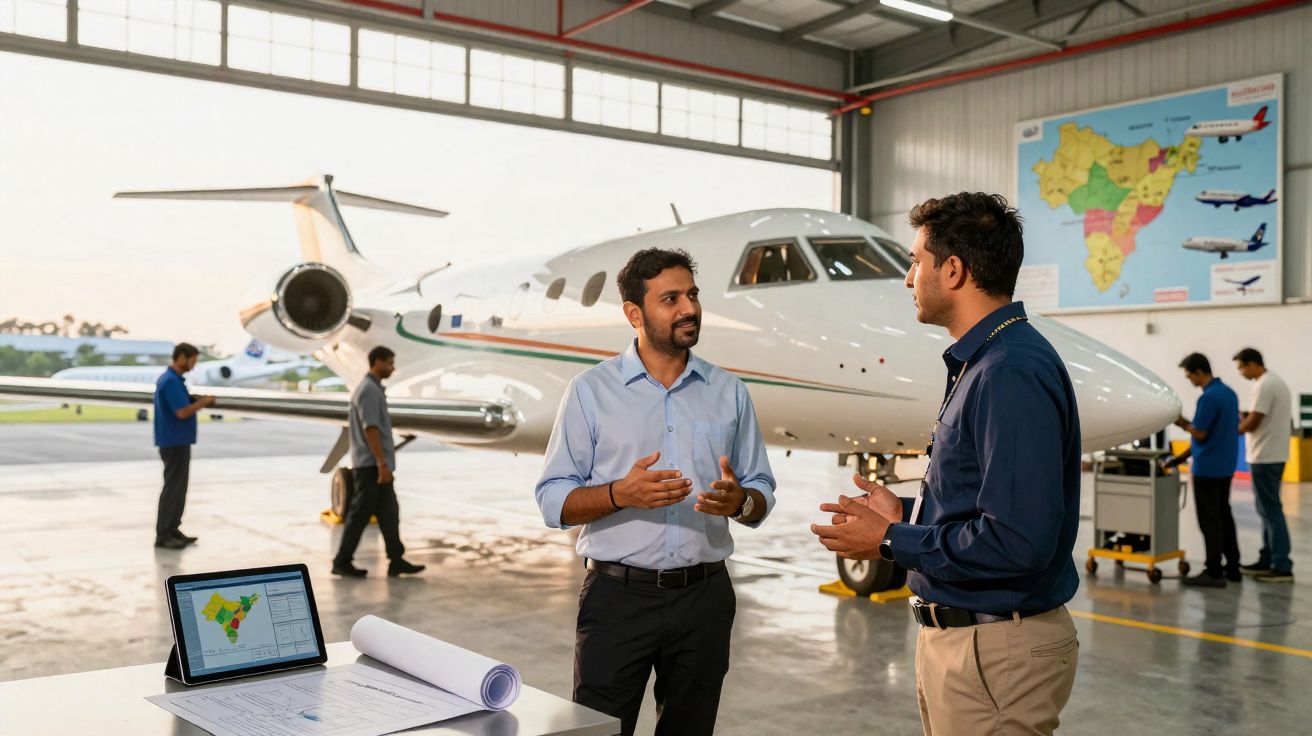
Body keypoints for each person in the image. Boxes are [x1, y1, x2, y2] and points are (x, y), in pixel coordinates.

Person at [810, 192, 1081, 735]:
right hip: (970, 646)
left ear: (953, 270)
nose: (908, 279)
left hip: (994, 651)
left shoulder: (1009, 372)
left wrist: (890, 540)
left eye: (915, 262)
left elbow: (1019, 541)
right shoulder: (984, 362)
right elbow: (984, 504)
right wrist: (908, 513)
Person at [534, 248, 776, 736]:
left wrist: (741, 503)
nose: (688, 307)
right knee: (597, 730)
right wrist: (620, 494)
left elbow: (760, 489)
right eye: (670, 298)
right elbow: (552, 500)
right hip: (616, 599)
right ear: (634, 313)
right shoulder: (590, 391)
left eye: (692, 295)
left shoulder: (728, 391)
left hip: (705, 600)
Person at [331, 346, 425, 578]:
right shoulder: (368, 391)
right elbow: (370, 429)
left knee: (389, 512)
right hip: (371, 467)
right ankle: (341, 561)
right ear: (377, 362)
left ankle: (396, 559)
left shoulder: (373, 389)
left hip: (375, 465)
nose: (393, 368)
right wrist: (382, 464)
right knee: (359, 516)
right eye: (390, 363)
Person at [1174, 352, 1242, 587]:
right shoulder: (1230, 394)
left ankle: (1213, 571)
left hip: (1207, 469)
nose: (1190, 380)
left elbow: (1200, 433)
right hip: (1225, 466)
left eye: (1190, 376)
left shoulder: (1209, 398)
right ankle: (1233, 567)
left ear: (1199, 372)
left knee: (1209, 521)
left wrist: (1180, 421)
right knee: (1224, 515)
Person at [1234, 347, 1294, 583]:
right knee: (1266, 510)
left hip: (1265, 456)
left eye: (1241, 367)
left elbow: (1252, 423)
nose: (1240, 372)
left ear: (1252, 364)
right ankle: (1267, 558)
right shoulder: (1272, 383)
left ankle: (1281, 565)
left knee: (1271, 511)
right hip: (1271, 455)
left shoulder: (1265, 385)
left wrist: (1234, 428)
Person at [153, 343, 215, 549]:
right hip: (174, 442)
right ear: (181, 358)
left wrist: (192, 399)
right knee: (173, 489)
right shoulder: (170, 381)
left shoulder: (173, 380)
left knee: (178, 489)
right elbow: (181, 412)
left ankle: (173, 529)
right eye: (192, 361)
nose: (193, 366)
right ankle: (164, 534)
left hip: (177, 441)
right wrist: (204, 402)